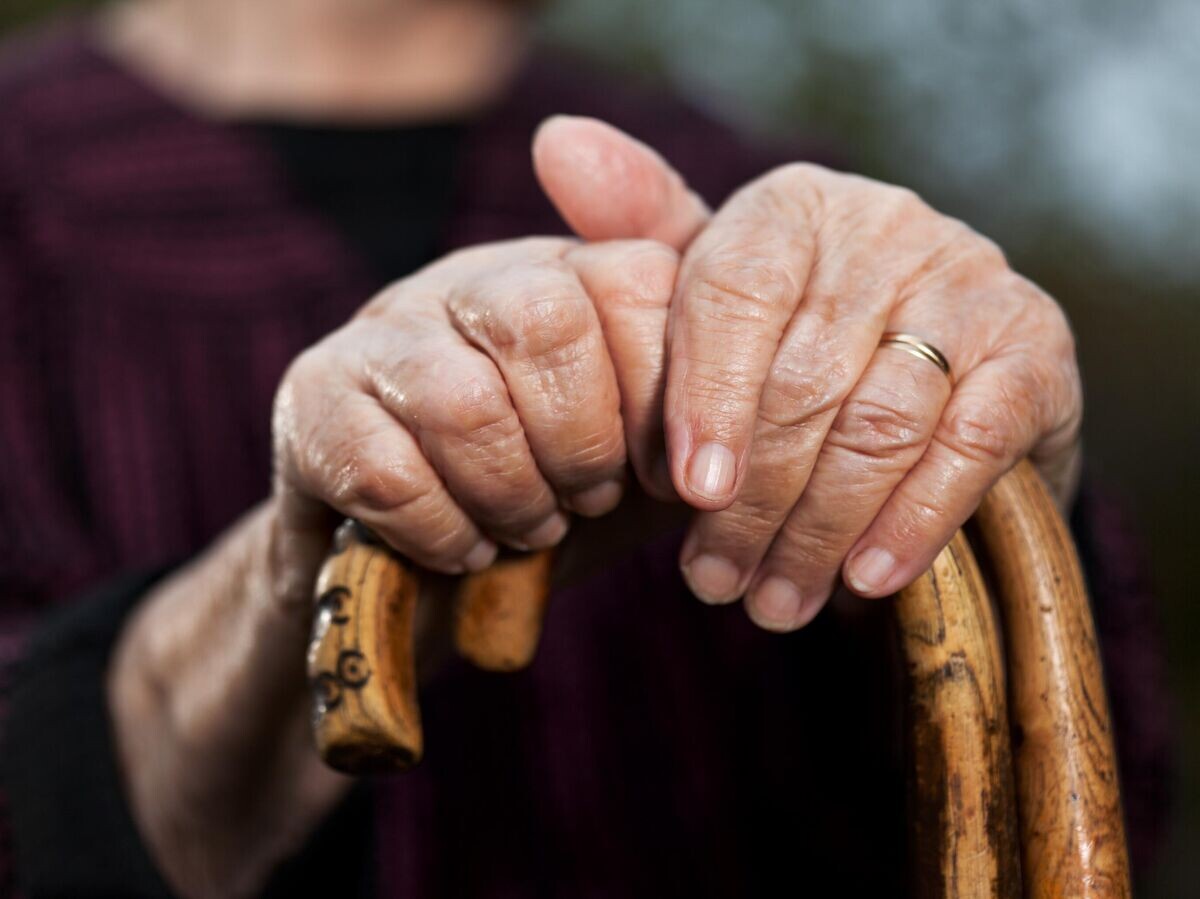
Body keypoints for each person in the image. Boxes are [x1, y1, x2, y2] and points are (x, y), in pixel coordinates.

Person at [0, 0, 1170, 896]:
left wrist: (954, 467)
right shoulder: (32, 211)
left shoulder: (754, 189)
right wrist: (265, 616)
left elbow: (1108, 811)